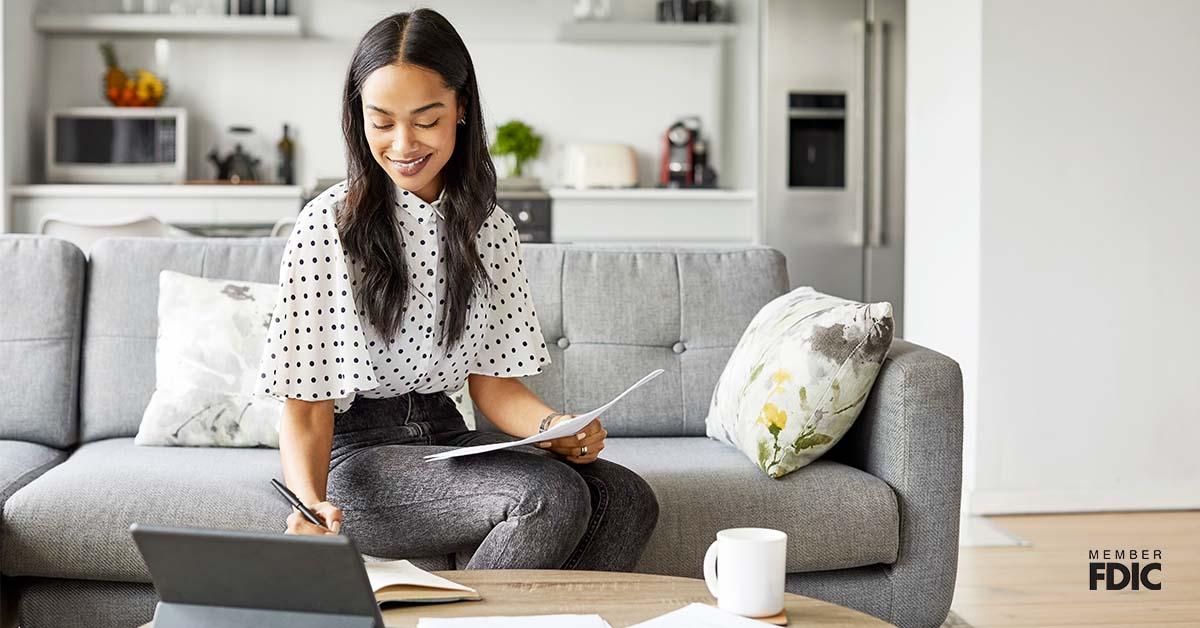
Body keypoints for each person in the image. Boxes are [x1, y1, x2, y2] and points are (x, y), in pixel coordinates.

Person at [256, 8, 658, 572]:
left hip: (449, 436)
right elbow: (305, 407)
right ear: (358, 118)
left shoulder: (489, 227)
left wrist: (554, 429)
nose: (402, 143)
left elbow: (494, 384)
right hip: (360, 457)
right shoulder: (328, 224)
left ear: (461, 109)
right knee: (548, 496)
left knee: (628, 498)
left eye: (426, 120)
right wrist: (311, 504)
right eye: (382, 121)